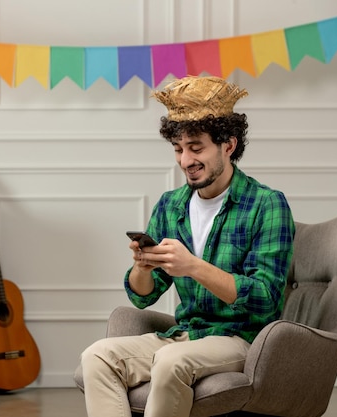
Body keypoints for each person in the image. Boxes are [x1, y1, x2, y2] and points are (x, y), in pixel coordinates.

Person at [78, 75, 295, 417]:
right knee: (96, 356)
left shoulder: (266, 204)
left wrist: (193, 266)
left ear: (229, 145)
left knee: (169, 361)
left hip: (240, 339)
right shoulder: (170, 205)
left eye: (196, 148)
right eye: (178, 149)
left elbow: (266, 300)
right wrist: (141, 266)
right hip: (185, 334)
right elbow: (143, 296)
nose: (184, 161)